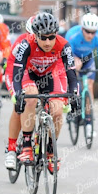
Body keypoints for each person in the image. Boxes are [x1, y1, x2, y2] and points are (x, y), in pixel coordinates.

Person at [11, 12, 79, 174]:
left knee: (57, 110)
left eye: (51, 37)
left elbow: (71, 74)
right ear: (35, 36)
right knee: (31, 97)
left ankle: (50, 148)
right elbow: (17, 72)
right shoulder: (25, 44)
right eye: (43, 38)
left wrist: (74, 94)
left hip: (50, 75)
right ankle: (27, 144)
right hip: (29, 74)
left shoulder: (64, 45)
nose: (48, 42)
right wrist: (18, 93)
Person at [65, 13, 98, 140]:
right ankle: (72, 101)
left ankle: (88, 120)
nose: (90, 35)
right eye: (87, 32)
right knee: (75, 70)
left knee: (89, 85)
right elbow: (67, 54)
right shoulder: (72, 35)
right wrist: (73, 64)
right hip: (73, 56)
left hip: (88, 59)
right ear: (82, 29)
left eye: (93, 32)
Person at [4, 15, 34, 169]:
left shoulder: (50, 44)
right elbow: (11, 69)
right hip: (21, 73)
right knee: (22, 104)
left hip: (43, 74)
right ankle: (11, 148)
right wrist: (16, 92)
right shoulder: (21, 43)